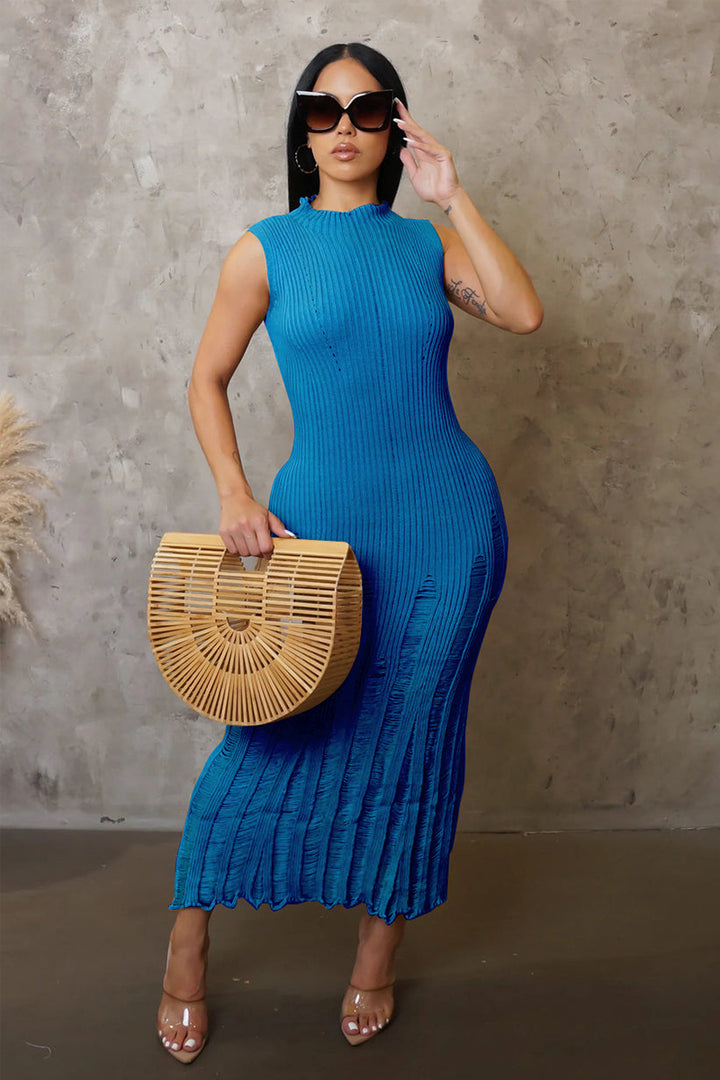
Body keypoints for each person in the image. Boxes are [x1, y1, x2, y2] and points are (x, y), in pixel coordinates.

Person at [156, 41, 543, 1063]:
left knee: (415, 737)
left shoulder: (424, 245)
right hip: (318, 529)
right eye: (323, 111)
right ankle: (188, 944)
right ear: (301, 129)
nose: (343, 128)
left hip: (447, 526)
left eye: (368, 110)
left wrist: (453, 197)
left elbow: (521, 312)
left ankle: (376, 956)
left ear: (394, 127)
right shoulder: (266, 249)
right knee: (267, 736)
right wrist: (234, 492)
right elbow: (205, 379)